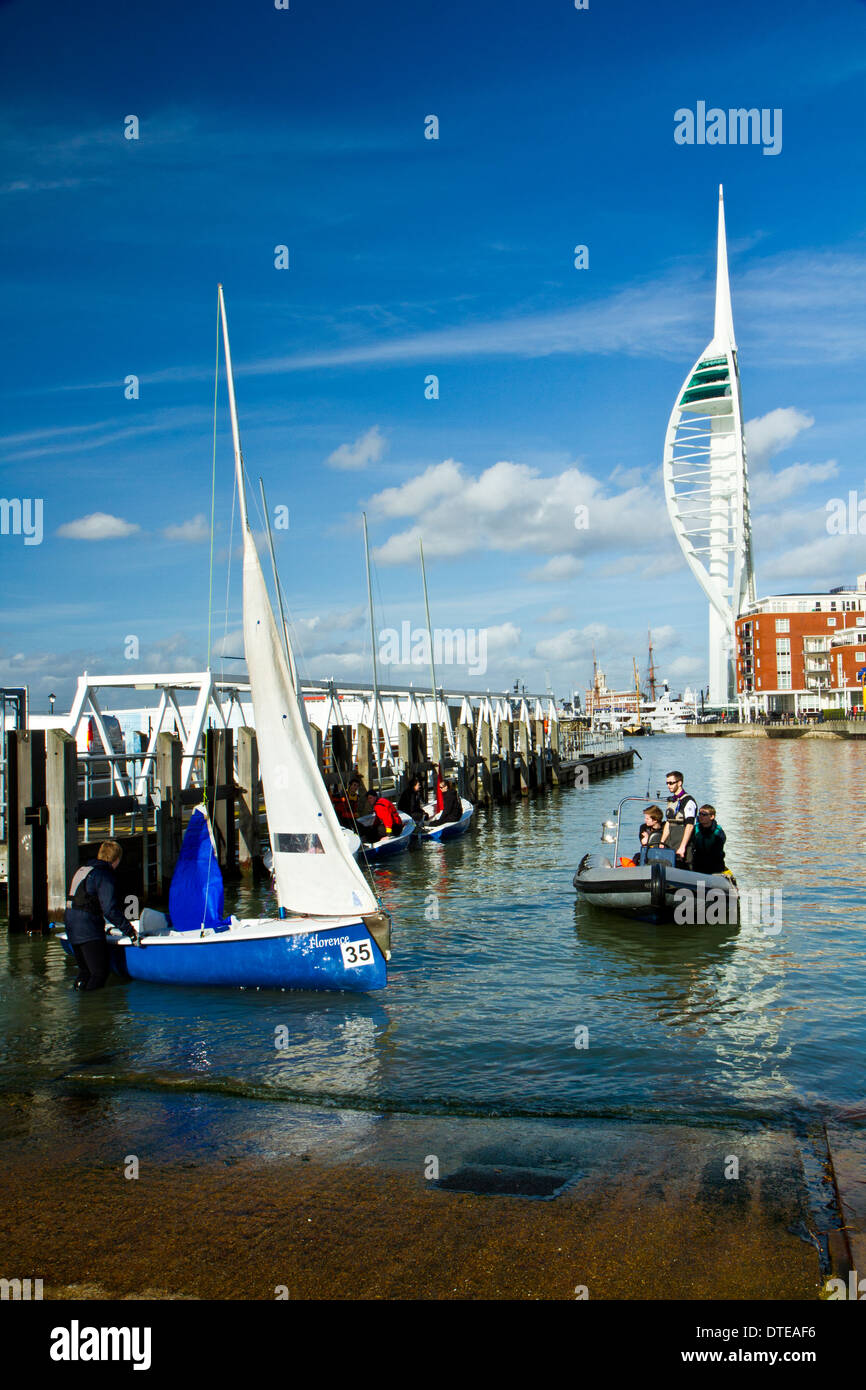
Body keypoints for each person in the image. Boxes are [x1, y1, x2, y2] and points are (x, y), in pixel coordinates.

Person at [64, 840, 135, 991]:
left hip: (71, 925)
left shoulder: (83, 870)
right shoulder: (104, 875)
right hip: (87, 928)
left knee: (85, 971)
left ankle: (79, 1001)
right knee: (99, 973)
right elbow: (110, 909)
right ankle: (91, 1011)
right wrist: (130, 931)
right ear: (116, 859)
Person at [659, 770, 698, 868]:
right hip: (671, 842)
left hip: (683, 843)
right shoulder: (672, 801)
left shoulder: (688, 801)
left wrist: (682, 847)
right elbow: (668, 823)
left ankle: (698, 883)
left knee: (686, 869)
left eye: (671, 783)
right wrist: (662, 842)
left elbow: (689, 825)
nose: (669, 785)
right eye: (667, 783)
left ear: (679, 783)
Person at [692, 804, 727, 875]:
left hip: (715, 868)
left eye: (704, 814)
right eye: (700, 814)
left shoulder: (718, 832)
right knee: (700, 885)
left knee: (714, 884)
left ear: (712, 817)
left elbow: (717, 852)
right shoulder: (695, 829)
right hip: (698, 867)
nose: (701, 816)